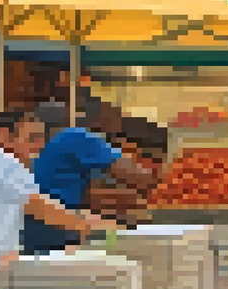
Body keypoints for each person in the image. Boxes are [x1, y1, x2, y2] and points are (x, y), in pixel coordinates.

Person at [0, 109, 113, 289]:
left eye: (42, 138)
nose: (40, 145)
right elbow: (40, 208)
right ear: (4, 135)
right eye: (32, 138)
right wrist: (86, 227)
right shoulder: (2, 163)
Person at [22, 100, 156, 255]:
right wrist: (158, 180)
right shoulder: (74, 137)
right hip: (63, 228)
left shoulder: (34, 146)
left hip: (31, 229)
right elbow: (136, 176)